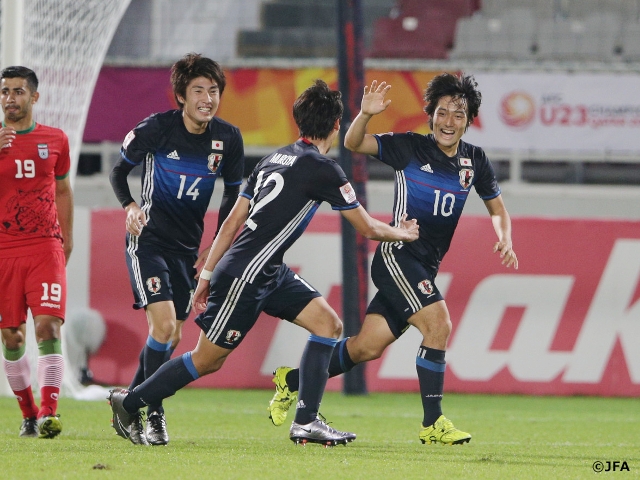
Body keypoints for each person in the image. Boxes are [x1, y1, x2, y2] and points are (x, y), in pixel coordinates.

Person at [108, 79, 419, 447]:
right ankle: (129, 401)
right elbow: (366, 227)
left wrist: (207, 274)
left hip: (267, 270)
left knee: (327, 323)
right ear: (336, 125)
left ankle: (305, 421)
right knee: (207, 360)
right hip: (245, 277)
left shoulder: (274, 158)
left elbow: (231, 223)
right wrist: (402, 233)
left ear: (299, 121)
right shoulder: (324, 170)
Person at [267, 72, 519, 446]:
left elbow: (496, 206)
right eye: (443, 112)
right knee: (439, 324)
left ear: (469, 120)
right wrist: (366, 114)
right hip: (398, 256)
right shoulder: (410, 148)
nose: (449, 121)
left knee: (365, 347)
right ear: (430, 114)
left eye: (458, 115)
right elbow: (353, 142)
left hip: (424, 265)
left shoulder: (475, 161)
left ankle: (291, 380)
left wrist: (505, 237)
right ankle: (432, 424)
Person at [109, 53, 245, 445]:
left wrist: (215, 246)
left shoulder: (229, 138)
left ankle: (127, 404)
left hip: (187, 250)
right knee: (165, 327)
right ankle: (154, 415)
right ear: (181, 97)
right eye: (198, 90)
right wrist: (131, 207)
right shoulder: (157, 129)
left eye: (213, 90)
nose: (207, 98)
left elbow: (233, 195)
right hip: (147, 241)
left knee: (169, 338)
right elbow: (119, 171)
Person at [0, 66, 74, 439]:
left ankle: (49, 412)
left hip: (44, 246)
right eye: (5, 92)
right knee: (12, 337)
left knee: (48, 326)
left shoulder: (56, 139)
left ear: (34, 97)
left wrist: (68, 237)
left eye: (18, 91)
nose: (10, 98)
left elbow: (63, 190)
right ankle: (28, 412)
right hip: (3, 251)